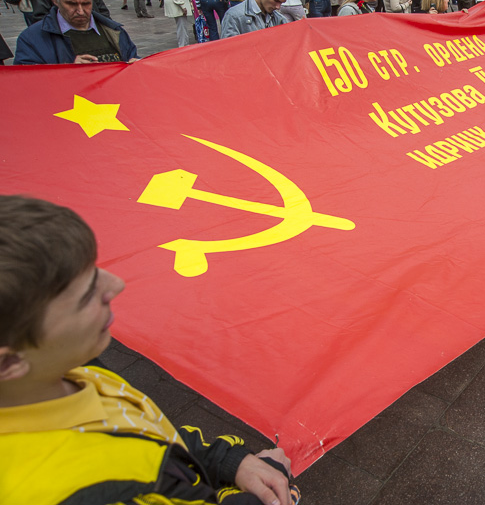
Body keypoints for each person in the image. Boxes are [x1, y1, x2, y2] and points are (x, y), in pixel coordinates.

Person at [0, 195, 298, 505]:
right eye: (88, 293)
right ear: (8, 362)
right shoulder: (81, 491)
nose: (116, 284)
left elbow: (148, 432)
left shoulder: (59, 369)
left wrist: (226, 460)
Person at [14, 0, 138, 64]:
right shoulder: (32, 39)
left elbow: (133, 61)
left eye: (86, 3)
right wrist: (69, 71)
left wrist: (137, 66)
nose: (80, 11)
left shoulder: (114, 31)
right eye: (71, 4)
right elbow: (27, 83)